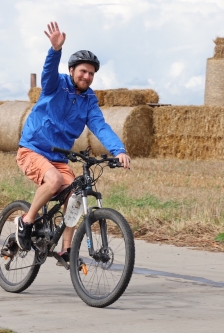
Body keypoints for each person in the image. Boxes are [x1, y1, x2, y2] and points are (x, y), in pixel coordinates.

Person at [15, 21, 131, 266]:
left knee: (76, 195)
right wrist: (55, 50)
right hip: (33, 149)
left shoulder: (89, 101)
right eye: (83, 71)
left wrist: (118, 150)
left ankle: (66, 250)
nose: (87, 76)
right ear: (71, 70)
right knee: (55, 181)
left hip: (58, 157)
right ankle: (26, 221)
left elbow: (100, 126)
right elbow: (48, 72)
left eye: (91, 73)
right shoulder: (55, 85)